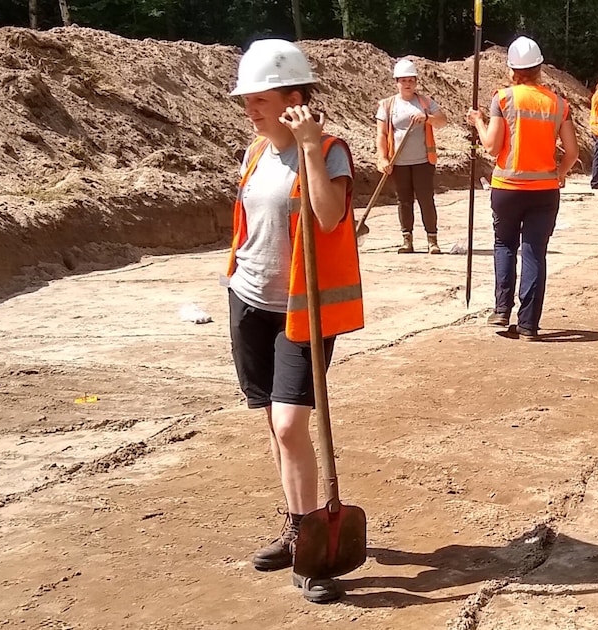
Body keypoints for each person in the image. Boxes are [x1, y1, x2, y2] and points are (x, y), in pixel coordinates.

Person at [225, 38, 363, 605]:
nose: (250, 107)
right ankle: (296, 523)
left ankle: (311, 551)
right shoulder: (254, 152)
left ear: (294, 97)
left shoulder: (331, 151)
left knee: (289, 426)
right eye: (246, 98)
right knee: (273, 424)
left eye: (259, 97)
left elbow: (331, 219)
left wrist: (308, 147)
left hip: (302, 310)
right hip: (249, 299)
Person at [467, 36, 579, 341]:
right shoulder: (559, 104)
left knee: (505, 246)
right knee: (534, 253)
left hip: (507, 187)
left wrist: (478, 121)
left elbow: (491, 146)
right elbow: (572, 152)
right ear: (539, 68)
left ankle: (502, 311)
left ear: (512, 69)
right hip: (544, 190)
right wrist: (560, 172)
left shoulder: (503, 99)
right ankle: (529, 324)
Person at [376, 57, 448, 254]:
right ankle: (407, 240)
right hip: (398, 163)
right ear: (396, 82)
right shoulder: (387, 105)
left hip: (423, 162)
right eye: (403, 80)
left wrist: (427, 118)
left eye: (411, 80)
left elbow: (442, 121)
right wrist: (383, 158)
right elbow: (381, 135)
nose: (407, 84)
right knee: (404, 200)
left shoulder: (425, 102)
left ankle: (432, 240)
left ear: (416, 82)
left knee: (426, 200)